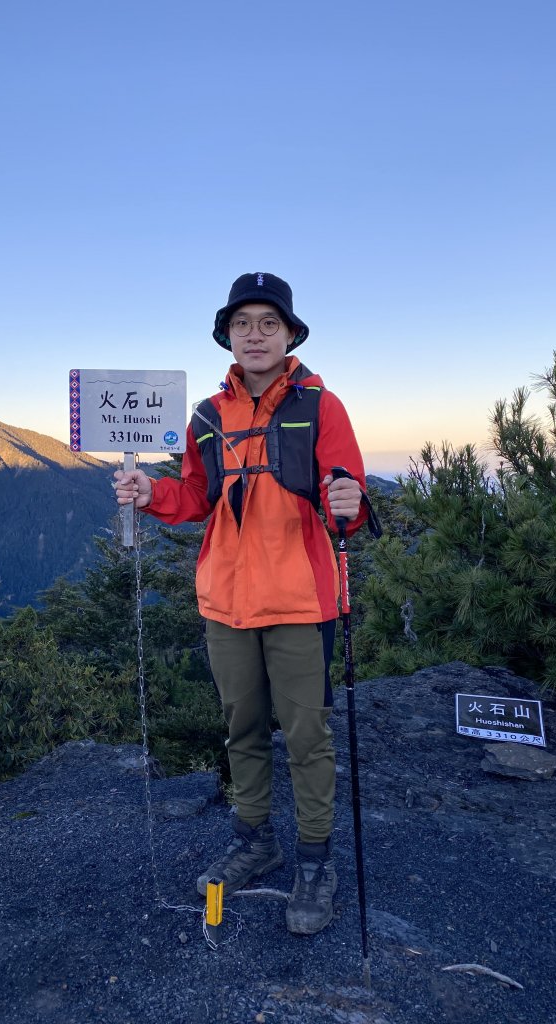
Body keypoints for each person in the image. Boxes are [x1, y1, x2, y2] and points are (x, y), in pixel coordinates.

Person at [114, 272, 370, 935]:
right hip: (224, 601)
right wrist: (150, 493)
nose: (254, 335)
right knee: (243, 730)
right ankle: (255, 839)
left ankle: (315, 862)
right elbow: (193, 496)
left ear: (289, 334)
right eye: (242, 324)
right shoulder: (205, 414)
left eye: (268, 323)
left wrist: (350, 502)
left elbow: (347, 493)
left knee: (307, 737)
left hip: (300, 600)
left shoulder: (321, 406)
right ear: (227, 335)